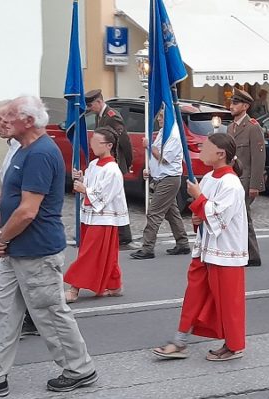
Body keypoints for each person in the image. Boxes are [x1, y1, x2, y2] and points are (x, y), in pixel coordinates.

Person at [0, 96, 96, 397]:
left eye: (6, 117)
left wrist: (2, 237)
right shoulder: (23, 149)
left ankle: (79, 369)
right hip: (17, 248)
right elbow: (11, 197)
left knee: (49, 312)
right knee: (2, 312)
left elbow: (28, 211)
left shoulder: (41, 153)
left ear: (28, 121)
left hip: (37, 250)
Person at [152, 133, 247, 361]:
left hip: (225, 252)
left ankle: (234, 345)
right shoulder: (209, 178)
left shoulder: (231, 183)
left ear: (220, 154)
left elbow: (219, 217)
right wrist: (197, 216)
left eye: (206, 147)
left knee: (228, 302)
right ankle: (179, 341)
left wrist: (198, 199)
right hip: (205, 249)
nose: (201, 150)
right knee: (193, 296)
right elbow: (204, 213)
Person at [0, 102, 38, 338]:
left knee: (45, 300)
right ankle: (4, 328)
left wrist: (1, 237)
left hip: (26, 231)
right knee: (8, 285)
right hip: (10, 223)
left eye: (2, 119)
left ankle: (28, 322)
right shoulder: (15, 147)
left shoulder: (34, 151)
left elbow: (28, 199)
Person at [64, 126, 128, 302]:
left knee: (89, 254)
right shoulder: (93, 165)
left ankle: (74, 289)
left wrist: (84, 189)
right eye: (92, 140)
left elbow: (104, 195)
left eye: (96, 142)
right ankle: (114, 285)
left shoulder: (113, 170)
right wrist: (81, 178)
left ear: (108, 145)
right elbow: (92, 184)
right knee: (106, 254)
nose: (92, 145)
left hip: (103, 218)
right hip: (90, 216)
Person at [130, 110, 191, 260]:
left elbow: (164, 158)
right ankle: (182, 243)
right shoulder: (164, 132)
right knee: (172, 213)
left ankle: (147, 248)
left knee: (154, 213)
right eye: (159, 116)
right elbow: (157, 158)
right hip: (162, 177)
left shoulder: (174, 136)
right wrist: (150, 170)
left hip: (169, 179)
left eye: (162, 116)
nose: (159, 119)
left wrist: (149, 146)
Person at [85, 89, 135, 250]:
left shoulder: (112, 117)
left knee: (117, 200)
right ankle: (119, 235)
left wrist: (128, 162)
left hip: (114, 162)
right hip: (105, 163)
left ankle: (124, 237)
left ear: (99, 102)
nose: (89, 108)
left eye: (91, 105)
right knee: (112, 200)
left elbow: (124, 141)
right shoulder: (100, 116)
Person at [227, 89, 266, 267]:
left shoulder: (252, 127)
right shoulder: (231, 127)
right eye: (231, 103)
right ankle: (243, 252)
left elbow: (258, 158)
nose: (231, 106)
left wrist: (255, 185)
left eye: (235, 103)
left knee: (242, 216)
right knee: (237, 217)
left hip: (246, 179)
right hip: (233, 179)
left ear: (245, 106)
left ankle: (252, 255)